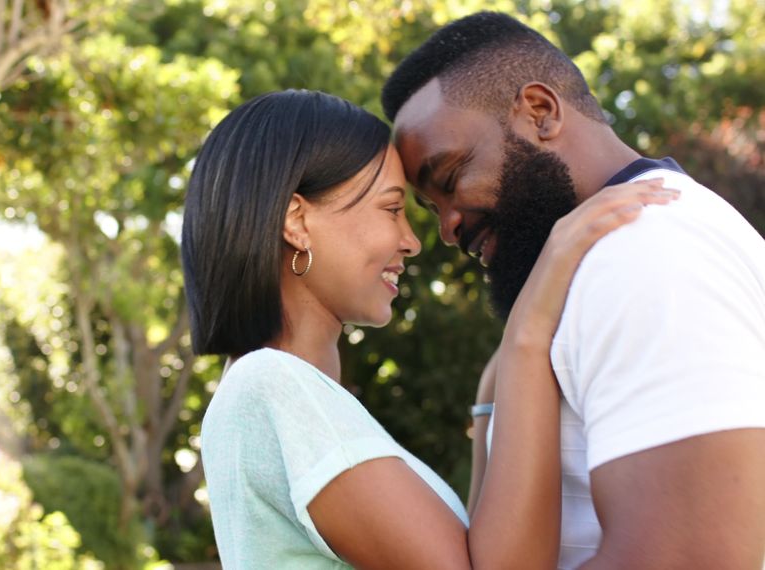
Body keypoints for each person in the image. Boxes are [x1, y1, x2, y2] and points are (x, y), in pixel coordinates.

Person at [182, 89, 676, 568]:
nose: (411, 242)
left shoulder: (274, 392)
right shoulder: (272, 387)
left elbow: (479, 551)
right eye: (392, 208)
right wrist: (529, 329)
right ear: (296, 221)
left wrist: (493, 397)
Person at [382, 12, 765, 569]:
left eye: (450, 178)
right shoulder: (606, 258)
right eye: (431, 207)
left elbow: (694, 557)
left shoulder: (642, 249)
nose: (447, 228)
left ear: (540, 112)